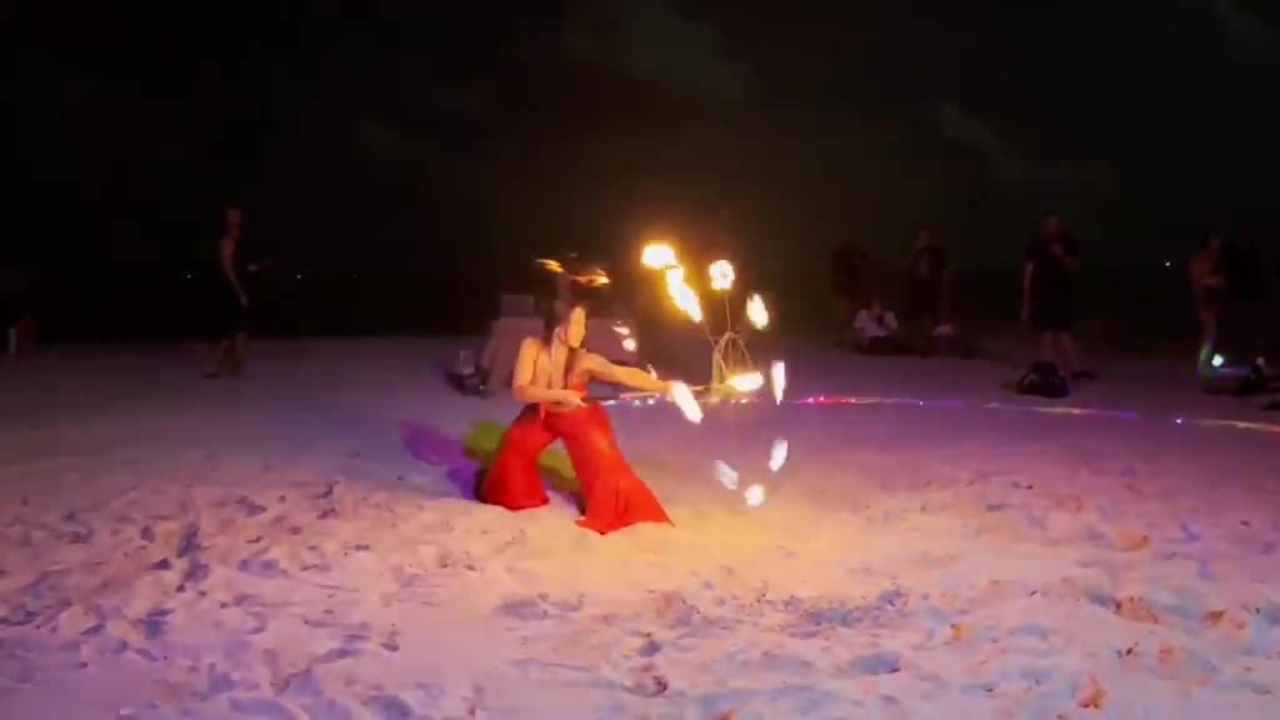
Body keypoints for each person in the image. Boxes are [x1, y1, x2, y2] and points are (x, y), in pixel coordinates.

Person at [476, 296, 675, 535]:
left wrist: (664, 387)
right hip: (541, 415)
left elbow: (623, 373)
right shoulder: (532, 347)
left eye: (583, 324)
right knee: (514, 445)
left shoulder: (584, 359)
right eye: (575, 323)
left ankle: (613, 511)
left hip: (579, 418)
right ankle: (514, 496)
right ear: (558, 322)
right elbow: (521, 391)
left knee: (606, 463)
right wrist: (561, 394)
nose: (581, 331)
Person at [1022, 212, 1091, 379]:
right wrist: (1026, 300)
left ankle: (1075, 369)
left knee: (1065, 331)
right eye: (1049, 224)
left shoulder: (1068, 243)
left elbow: (1075, 267)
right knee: (1046, 332)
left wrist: (1061, 255)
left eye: (1056, 224)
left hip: (1063, 294)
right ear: (1044, 226)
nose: (1052, 227)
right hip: (1042, 294)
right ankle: (1046, 369)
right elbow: (1028, 273)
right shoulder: (1035, 244)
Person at [207, 205, 250, 378]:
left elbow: (237, 264)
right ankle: (216, 367)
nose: (236, 218)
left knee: (240, 329)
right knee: (231, 329)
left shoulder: (239, 239)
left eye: (238, 214)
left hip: (238, 287)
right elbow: (227, 268)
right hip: (230, 289)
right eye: (232, 215)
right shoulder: (226, 240)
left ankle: (236, 367)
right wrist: (239, 292)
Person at [905, 226, 950, 351]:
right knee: (920, 316)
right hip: (918, 289)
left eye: (925, 236)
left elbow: (944, 269)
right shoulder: (916, 252)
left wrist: (944, 287)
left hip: (932, 288)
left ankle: (932, 343)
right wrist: (915, 251)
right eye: (921, 236)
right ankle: (922, 343)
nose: (923, 239)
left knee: (931, 316)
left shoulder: (936, 252)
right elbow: (909, 268)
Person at [1189, 231, 1225, 369]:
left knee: (1211, 332)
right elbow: (1200, 280)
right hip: (1205, 301)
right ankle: (1203, 363)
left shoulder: (1214, 259)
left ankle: (1205, 361)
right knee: (1210, 332)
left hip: (1211, 301)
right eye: (1215, 241)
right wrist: (1216, 281)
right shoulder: (1201, 260)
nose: (1218, 244)